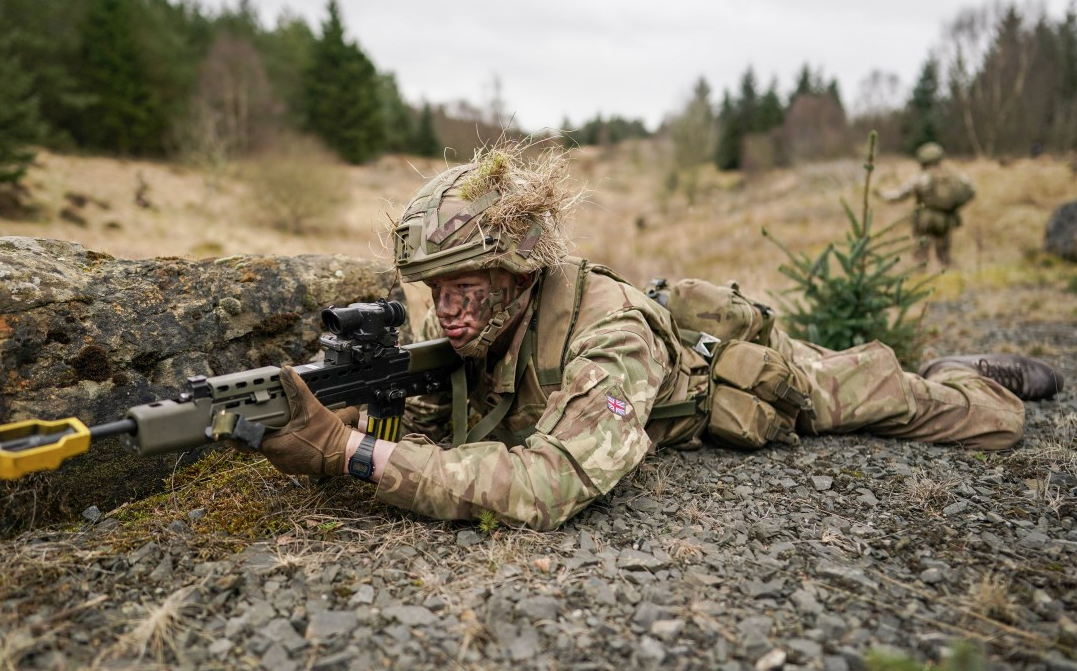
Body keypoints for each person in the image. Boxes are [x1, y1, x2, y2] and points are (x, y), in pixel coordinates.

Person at [253, 141, 1063, 531]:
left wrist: (353, 456)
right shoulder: (472, 323)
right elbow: (464, 420)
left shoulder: (612, 334)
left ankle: (966, 369)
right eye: (436, 288)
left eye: (464, 286)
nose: (448, 310)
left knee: (965, 417)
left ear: (518, 268)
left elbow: (550, 486)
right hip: (653, 369)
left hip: (756, 376)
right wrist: (363, 418)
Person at [880, 141, 975, 268]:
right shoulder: (954, 176)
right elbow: (971, 190)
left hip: (925, 218)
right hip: (946, 218)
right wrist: (955, 206)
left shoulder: (922, 177)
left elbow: (900, 194)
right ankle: (951, 275)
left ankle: (920, 277)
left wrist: (882, 195)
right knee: (944, 252)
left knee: (921, 251)